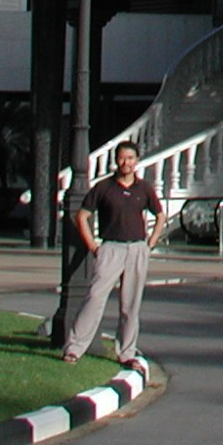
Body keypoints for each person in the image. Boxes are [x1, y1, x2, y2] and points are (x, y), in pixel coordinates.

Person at [62, 139, 162, 373]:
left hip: (137, 249)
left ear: (136, 161)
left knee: (130, 305)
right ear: (116, 160)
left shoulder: (144, 188)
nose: (126, 162)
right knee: (95, 297)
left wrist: (151, 243)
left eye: (130, 158)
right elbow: (82, 217)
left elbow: (159, 215)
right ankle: (74, 348)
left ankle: (127, 352)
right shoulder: (104, 188)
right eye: (122, 158)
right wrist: (94, 247)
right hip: (110, 249)